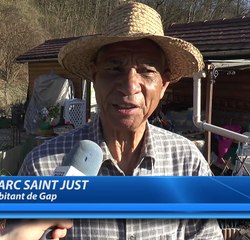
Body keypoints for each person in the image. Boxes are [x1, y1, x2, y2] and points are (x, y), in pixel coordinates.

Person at [19, 2, 224, 239]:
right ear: (94, 75)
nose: (129, 86)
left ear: (164, 84)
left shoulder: (187, 164)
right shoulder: (42, 168)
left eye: (146, 71)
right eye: (114, 69)